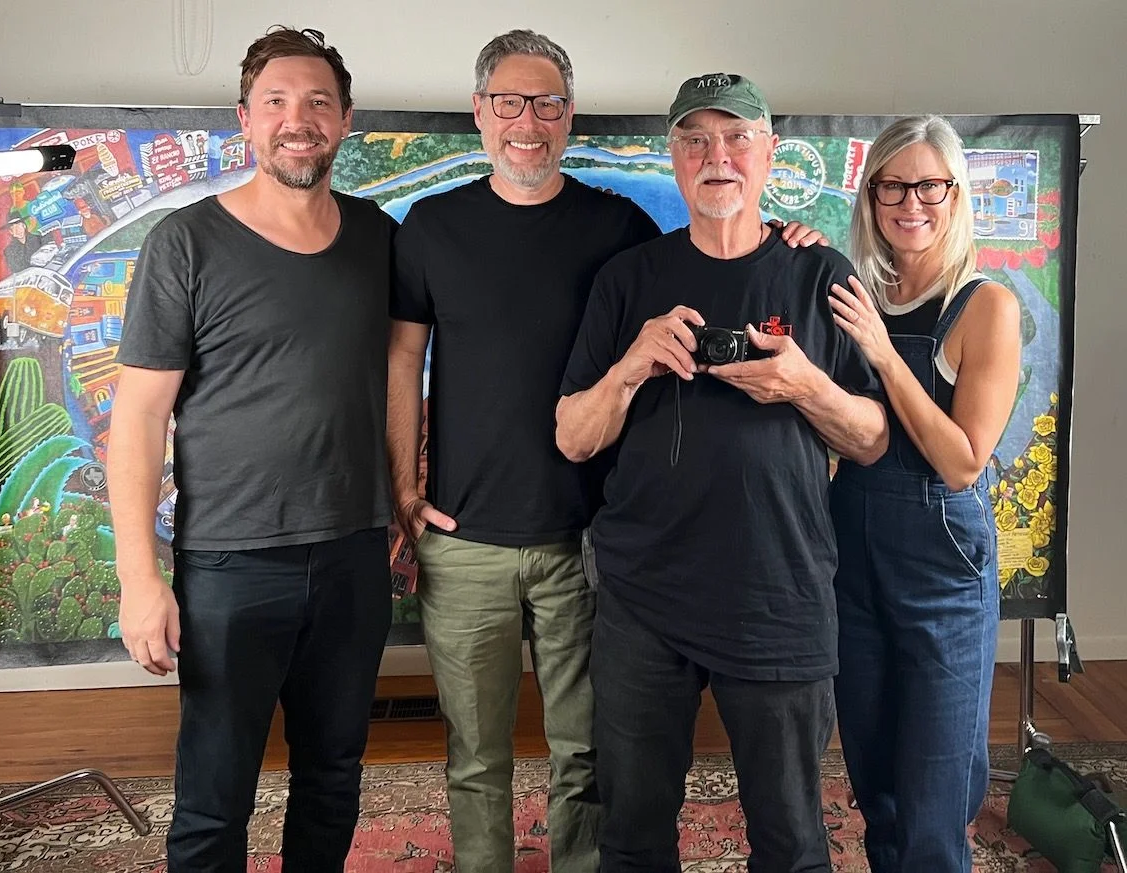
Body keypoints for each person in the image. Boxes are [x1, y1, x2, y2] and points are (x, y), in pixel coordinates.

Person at [387, 36, 827, 873]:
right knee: (475, 759)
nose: (528, 122)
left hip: (584, 543)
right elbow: (403, 361)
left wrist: (791, 237)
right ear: (481, 112)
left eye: (546, 104)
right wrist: (403, 489)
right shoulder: (430, 228)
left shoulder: (618, 230)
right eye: (509, 103)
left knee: (588, 758)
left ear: (568, 115)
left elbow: (724, 241)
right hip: (465, 539)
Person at [554, 72, 889, 871]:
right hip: (645, 594)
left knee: (792, 838)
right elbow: (572, 437)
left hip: (781, 593)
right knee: (632, 834)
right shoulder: (629, 279)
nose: (718, 157)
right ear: (673, 157)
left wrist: (804, 385)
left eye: (737, 137)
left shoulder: (822, 274)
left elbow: (873, 438)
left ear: (768, 154)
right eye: (696, 140)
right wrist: (634, 362)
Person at [108, 26, 395, 873]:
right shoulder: (185, 242)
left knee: (333, 778)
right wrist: (138, 578)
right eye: (275, 101)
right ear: (245, 119)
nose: (295, 119)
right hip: (230, 563)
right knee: (214, 796)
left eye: (316, 103)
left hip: (353, 555)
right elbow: (139, 417)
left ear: (345, 121)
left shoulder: (380, 237)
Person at [827, 115, 1021, 873]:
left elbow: (962, 460)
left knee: (936, 797)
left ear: (956, 193)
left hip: (942, 561)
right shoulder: (852, 295)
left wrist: (880, 348)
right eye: (894, 186)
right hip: (851, 555)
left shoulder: (986, 308)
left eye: (930, 185)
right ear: (872, 196)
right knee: (878, 787)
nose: (913, 202)